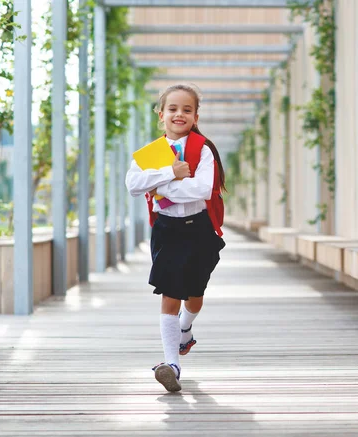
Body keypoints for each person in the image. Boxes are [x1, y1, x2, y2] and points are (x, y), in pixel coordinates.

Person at [125, 84, 226, 392]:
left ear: (195, 116)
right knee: (170, 293)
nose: (178, 114)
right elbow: (133, 184)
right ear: (161, 115)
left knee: (195, 293)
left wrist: (158, 187)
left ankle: (185, 329)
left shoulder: (203, 149)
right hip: (167, 229)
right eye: (172, 109)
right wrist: (170, 173)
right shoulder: (151, 153)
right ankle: (172, 364)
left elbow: (201, 189)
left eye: (186, 109)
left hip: (199, 230)